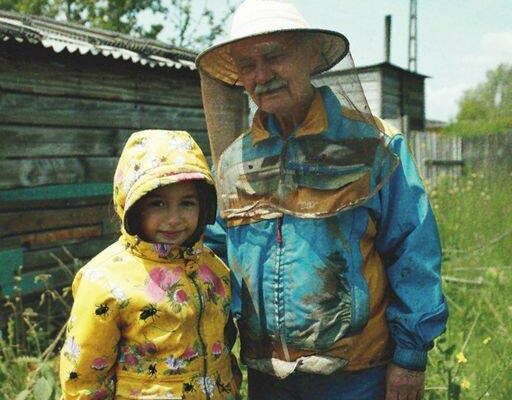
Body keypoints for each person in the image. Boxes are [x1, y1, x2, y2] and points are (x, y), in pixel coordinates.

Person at [196, 0, 448, 399]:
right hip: (267, 376)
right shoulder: (233, 164)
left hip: (359, 376)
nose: (262, 75)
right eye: (247, 65)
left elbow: (412, 252)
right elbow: (212, 261)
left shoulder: (376, 147)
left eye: (274, 56)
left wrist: (410, 357)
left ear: (310, 56)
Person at [59, 130, 240, 400]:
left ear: (204, 206)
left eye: (187, 203)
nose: (174, 219)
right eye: (158, 204)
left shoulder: (213, 270)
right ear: (132, 205)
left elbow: (225, 350)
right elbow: (84, 375)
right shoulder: (106, 281)